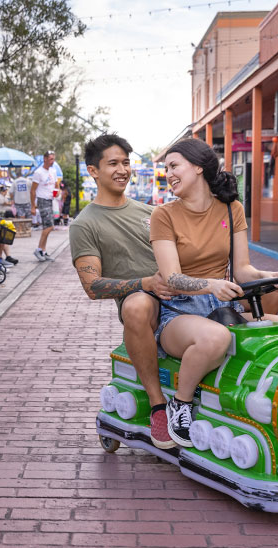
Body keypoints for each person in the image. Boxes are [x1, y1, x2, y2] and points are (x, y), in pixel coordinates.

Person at [150, 138, 278, 447]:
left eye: (174, 166)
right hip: (179, 311)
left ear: (198, 167)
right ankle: (181, 403)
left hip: (223, 305)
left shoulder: (232, 209)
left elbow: (243, 269)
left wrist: (268, 275)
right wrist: (210, 284)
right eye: (167, 169)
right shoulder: (164, 216)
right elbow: (173, 278)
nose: (169, 174)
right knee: (215, 338)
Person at [70, 134, 177, 449]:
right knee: (136, 307)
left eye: (126, 162)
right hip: (145, 304)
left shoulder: (151, 212)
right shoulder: (85, 224)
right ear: (94, 171)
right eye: (113, 163)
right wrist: (144, 283)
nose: (123, 170)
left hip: (181, 293)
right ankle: (158, 408)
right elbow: (93, 286)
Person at [30, 150, 60, 261]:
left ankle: (43, 250)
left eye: (53, 159)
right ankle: (38, 249)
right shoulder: (38, 172)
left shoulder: (53, 171)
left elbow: (56, 184)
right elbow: (32, 190)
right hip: (42, 200)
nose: (52, 161)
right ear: (45, 159)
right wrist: (33, 206)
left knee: (48, 227)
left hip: (50, 200)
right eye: (51, 159)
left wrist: (58, 191)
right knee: (49, 226)